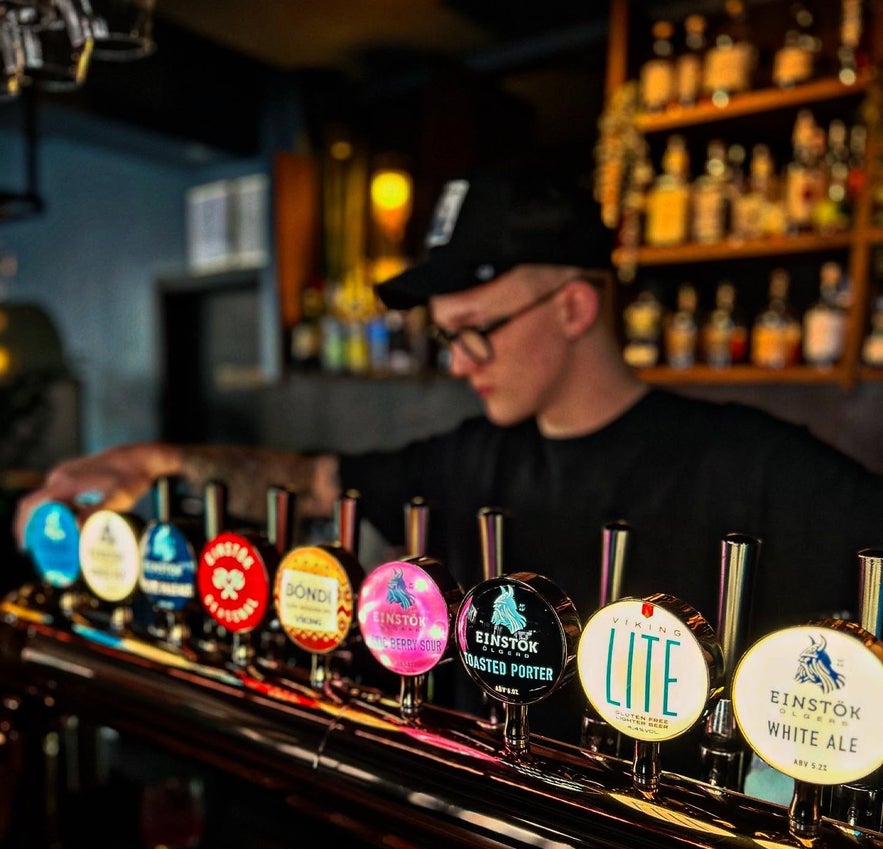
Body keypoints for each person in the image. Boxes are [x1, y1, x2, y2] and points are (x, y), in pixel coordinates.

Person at [13, 167, 883, 747]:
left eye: (476, 331)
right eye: (445, 338)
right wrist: (156, 462)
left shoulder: (751, 465)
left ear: (574, 307)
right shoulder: (466, 460)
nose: (458, 362)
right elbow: (314, 480)